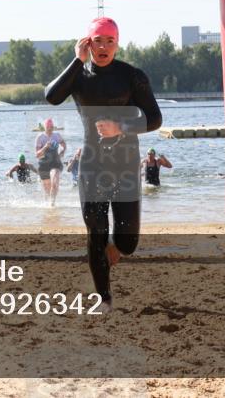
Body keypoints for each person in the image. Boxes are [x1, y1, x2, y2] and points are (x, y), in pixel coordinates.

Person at [45, 16, 162, 313]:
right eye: (98, 40)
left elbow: (155, 118)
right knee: (95, 229)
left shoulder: (131, 76)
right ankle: (104, 297)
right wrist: (75, 60)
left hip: (125, 163)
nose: (104, 47)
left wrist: (120, 127)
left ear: (117, 44)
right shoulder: (79, 75)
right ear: (88, 43)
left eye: (110, 41)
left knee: (128, 242)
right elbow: (52, 96)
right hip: (92, 165)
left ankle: (116, 245)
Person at [35, 118, 66, 206]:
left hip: (55, 163)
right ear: (44, 127)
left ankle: (52, 204)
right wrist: (45, 147)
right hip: (43, 165)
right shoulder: (40, 137)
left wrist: (63, 151)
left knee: (55, 183)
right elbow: (37, 155)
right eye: (48, 126)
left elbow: (63, 144)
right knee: (47, 192)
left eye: (51, 126)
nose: (50, 128)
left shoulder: (57, 135)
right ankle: (49, 210)